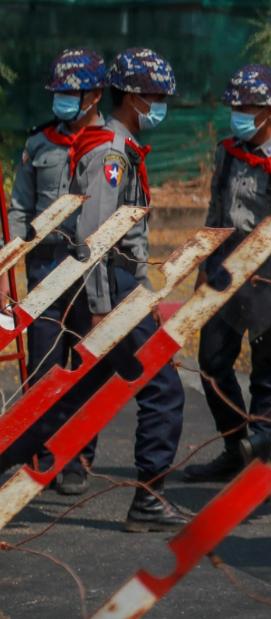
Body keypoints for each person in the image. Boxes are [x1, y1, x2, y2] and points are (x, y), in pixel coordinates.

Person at [5, 48, 189, 531]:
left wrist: (140, 298)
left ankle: (20, 455)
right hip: (90, 285)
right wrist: (107, 312)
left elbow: (120, 238)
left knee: (69, 389)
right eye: (154, 96)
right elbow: (96, 239)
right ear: (126, 95)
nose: (160, 104)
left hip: (107, 284)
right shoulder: (99, 149)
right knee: (153, 388)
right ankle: (146, 498)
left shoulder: (111, 145)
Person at [182, 64, 271, 483]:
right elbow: (216, 213)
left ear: (270, 109)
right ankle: (234, 445)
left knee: (267, 374)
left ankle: (259, 466)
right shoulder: (227, 152)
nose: (239, 111)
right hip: (226, 273)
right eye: (236, 104)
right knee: (211, 364)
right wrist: (204, 268)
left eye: (249, 105)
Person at [3, 48, 107, 496]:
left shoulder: (111, 145)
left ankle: (78, 457)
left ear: (95, 94)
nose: (63, 100)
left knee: (85, 368)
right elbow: (19, 208)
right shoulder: (38, 144)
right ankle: (42, 453)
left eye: (72, 92)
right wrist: (12, 259)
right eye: (58, 92)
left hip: (93, 273)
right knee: (43, 366)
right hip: (45, 270)